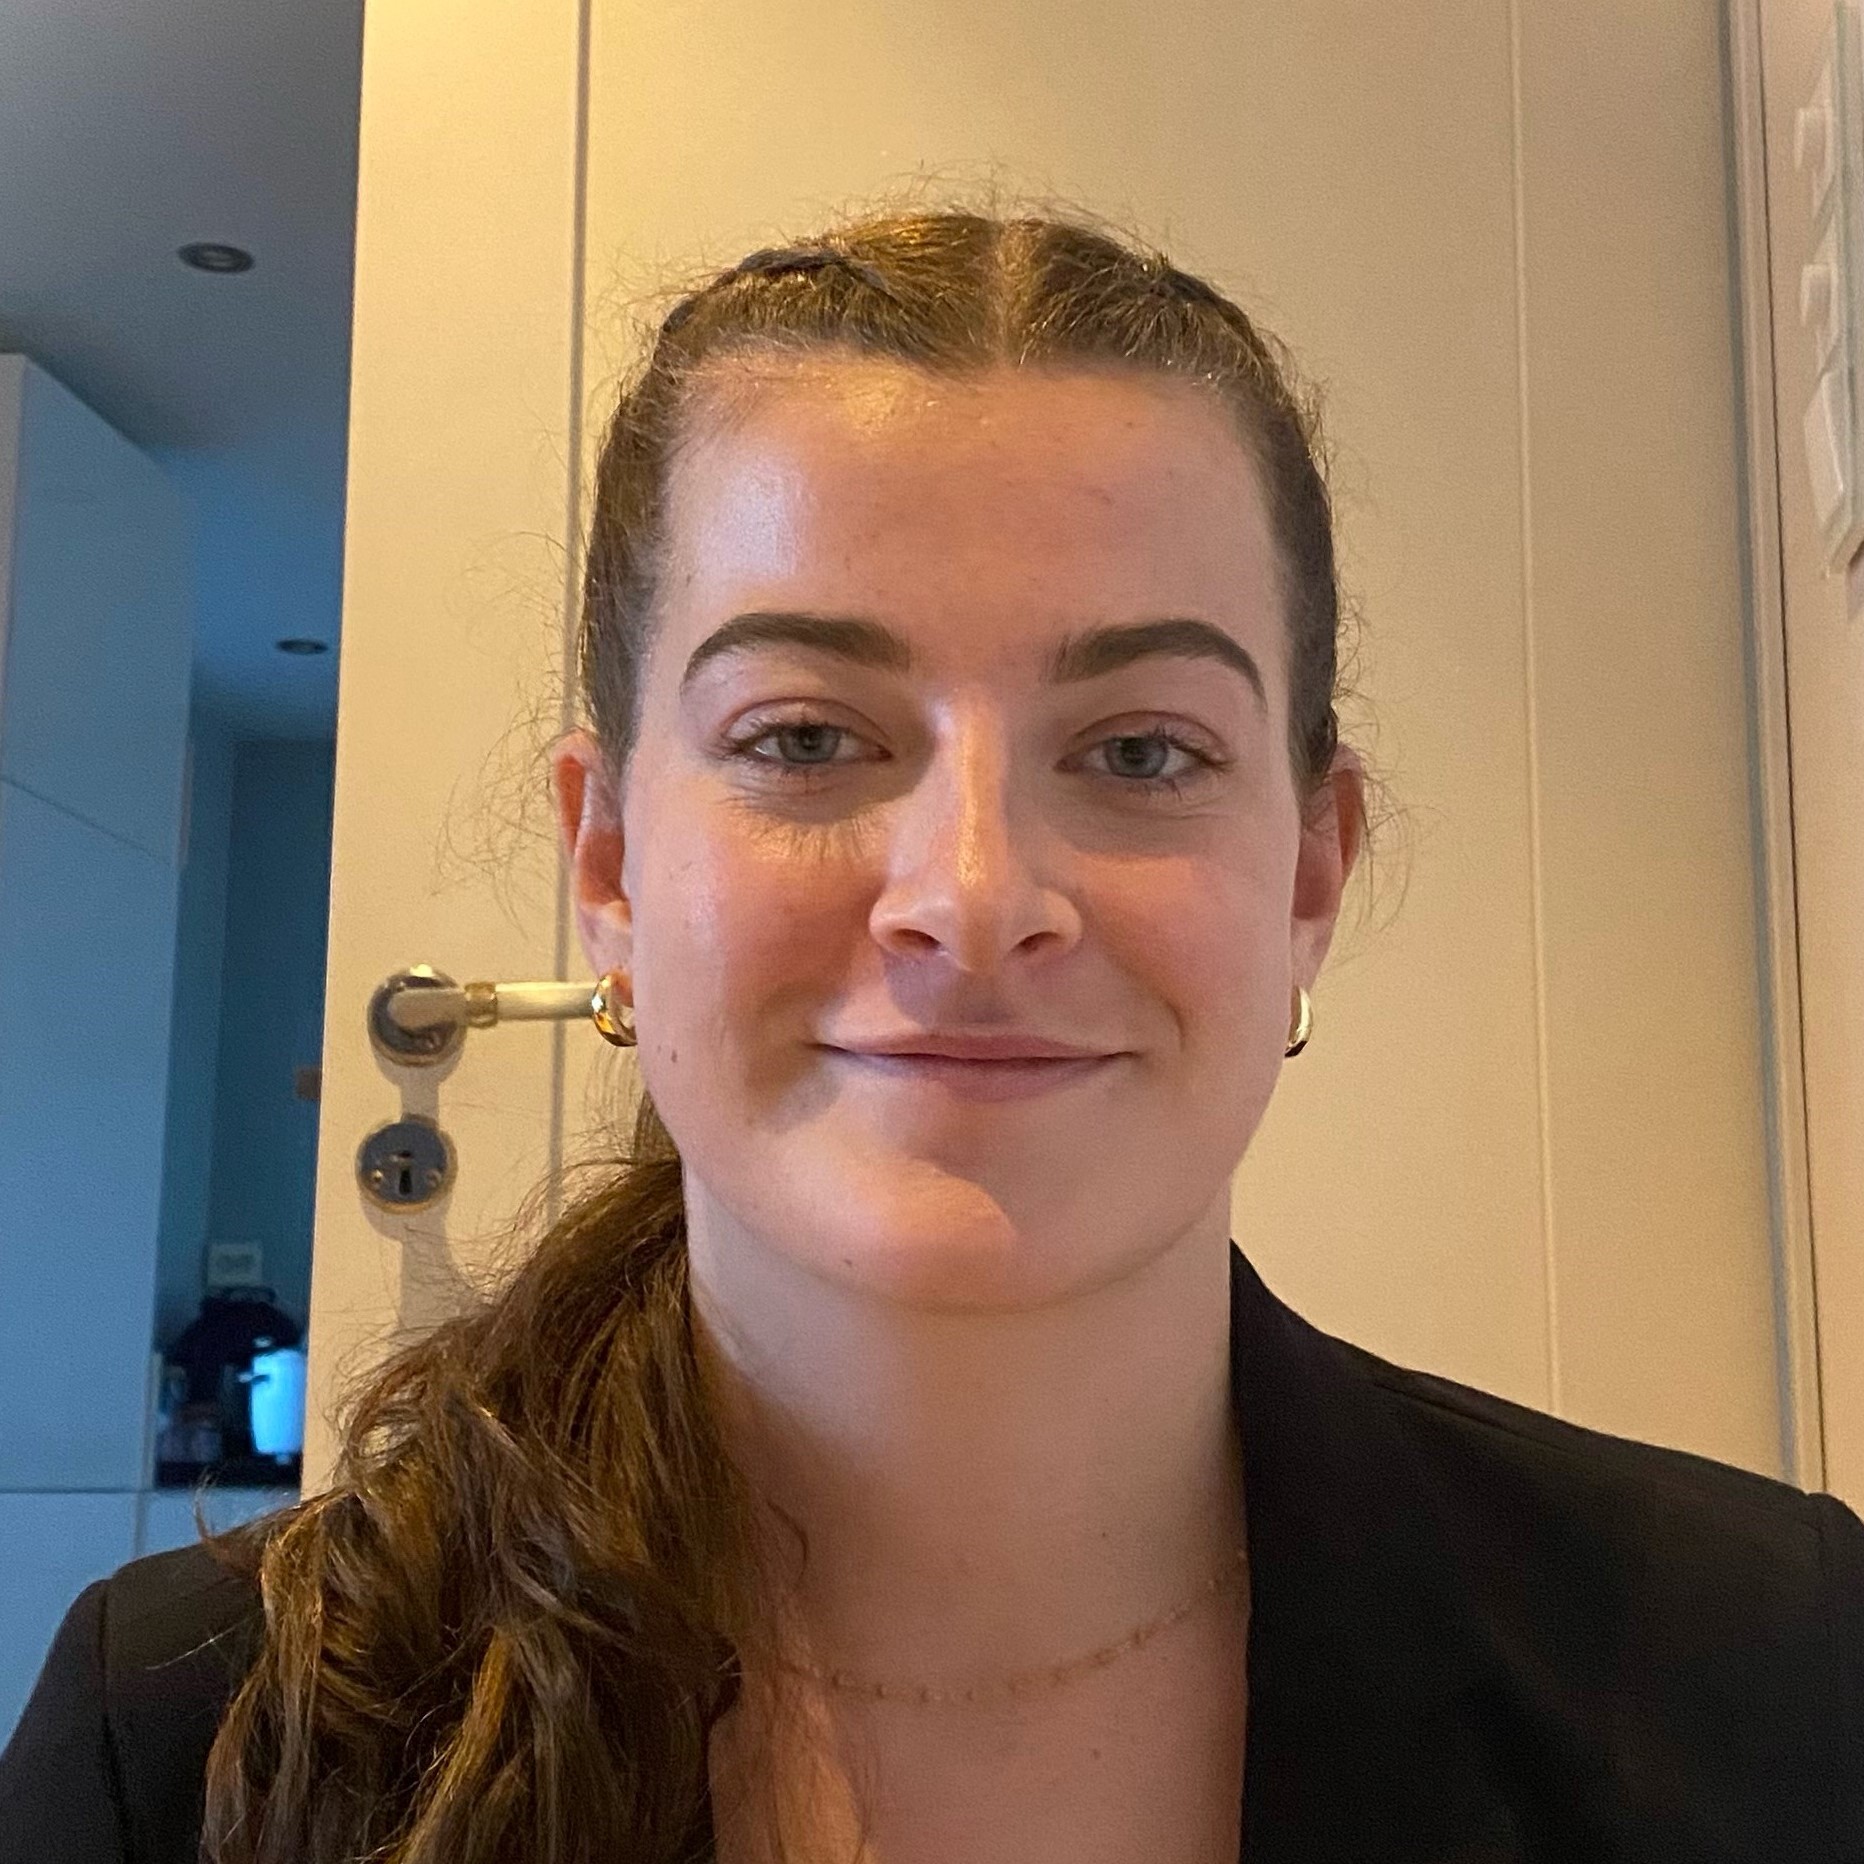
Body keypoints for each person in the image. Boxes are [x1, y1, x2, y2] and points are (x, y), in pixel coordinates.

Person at [1, 203, 1858, 1864]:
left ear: (1311, 869)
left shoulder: (1769, 1676)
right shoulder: (182, 1739)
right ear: (609, 858)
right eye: (807, 739)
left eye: (1142, 751)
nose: (973, 896)